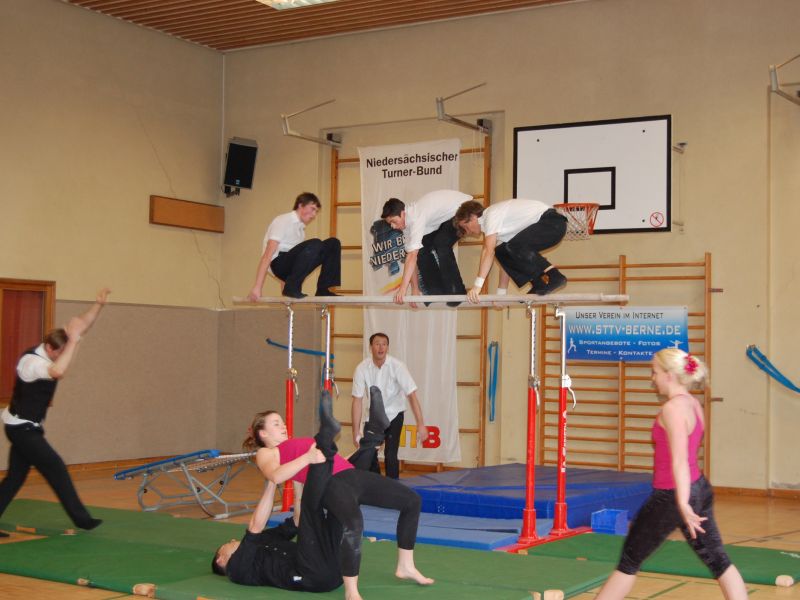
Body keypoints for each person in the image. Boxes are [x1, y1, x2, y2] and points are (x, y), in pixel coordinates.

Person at [240, 392, 433, 600]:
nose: (283, 426)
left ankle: (405, 565)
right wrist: (308, 457)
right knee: (353, 523)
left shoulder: (295, 447)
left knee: (412, 501)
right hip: (330, 483)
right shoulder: (267, 452)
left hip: (349, 475)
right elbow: (275, 476)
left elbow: (335, 464)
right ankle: (351, 591)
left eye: (282, 422)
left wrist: (360, 453)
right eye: (276, 423)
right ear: (263, 433)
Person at [594, 349, 747, 600]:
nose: (652, 378)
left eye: (655, 372)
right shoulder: (693, 403)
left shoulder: (672, 409)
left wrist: (683, 503)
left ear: (669, 375)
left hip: (673, 495)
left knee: (629, 561)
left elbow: (680, 461)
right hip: (699, 487)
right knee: (719, 561)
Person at [0, 288, 111, 537]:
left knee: (15, 478)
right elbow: (58, 371)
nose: (63, 357)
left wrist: (98, 305)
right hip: (21, 428)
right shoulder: (32, 363)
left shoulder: (53, 346)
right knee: (56, 468)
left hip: (26, 426)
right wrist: (73, 342)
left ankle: (82, 519)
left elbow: (80, 325)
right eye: (60, 353)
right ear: (50, 349)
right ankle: (83, 520)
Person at [212, 394, 345, 592]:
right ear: (221, 559)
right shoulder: (237, 569)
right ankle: (328, 440)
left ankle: (369, 443)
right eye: (227, 544)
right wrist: (271, 482)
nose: (232, 540)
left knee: (338, 505)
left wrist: (298, 478)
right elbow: (255, 526)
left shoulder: (264, 540)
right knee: (315, 510)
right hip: (312, 576)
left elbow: (297, 522)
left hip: (335, 571)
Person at [453, 199, 568, 302]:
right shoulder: (497, 229)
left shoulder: (491, 215)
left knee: (513, 246)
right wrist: (501, 295)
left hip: (553, 223)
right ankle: (538, 282)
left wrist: (477, 286)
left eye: (465, 227)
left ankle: (555, 276)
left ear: (473, 217)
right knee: (501, 251)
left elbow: (488, 252)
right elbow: (506, 260)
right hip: (550, 227)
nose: (467, 232)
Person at [351, 333, 428, 479]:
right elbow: (357, 400)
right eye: (377, 344)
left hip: (394, 415)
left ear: (387, 347)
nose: (381, 347)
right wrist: (355, 431)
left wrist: (421, 424)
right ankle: (376, 484)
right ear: (371, 347)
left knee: (390, 454)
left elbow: (412, 395)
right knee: (368, 453)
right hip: (373, 417)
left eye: (384, 344)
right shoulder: (362, 368)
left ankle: (393, 486)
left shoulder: (397, 366)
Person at [381, 189, 472, 305]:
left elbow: (412, 257)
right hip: (447, 218)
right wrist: (414, 290)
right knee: (421, 249)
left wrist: (402, 289)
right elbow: (411, 257)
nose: (393, 226)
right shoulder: (407, 227)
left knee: (441, 243)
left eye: (393, 221)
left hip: (465, 210)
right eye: (390, 224)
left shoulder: (415, 216)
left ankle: (457, 292)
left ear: (403, 214)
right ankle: (436, 292)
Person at [247, 192, 341, 300]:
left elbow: (294, 261)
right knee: (316, 243)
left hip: (287, 268)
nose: (314, 215)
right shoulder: (283, 220)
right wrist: (257, 287)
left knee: (333, 243)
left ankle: (323, 290)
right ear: (301, 205)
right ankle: (291, 288)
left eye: (316, 211)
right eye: (312, 209)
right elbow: (267, 255)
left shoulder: (301, 231)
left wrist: (285, 296)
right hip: (276, 264)